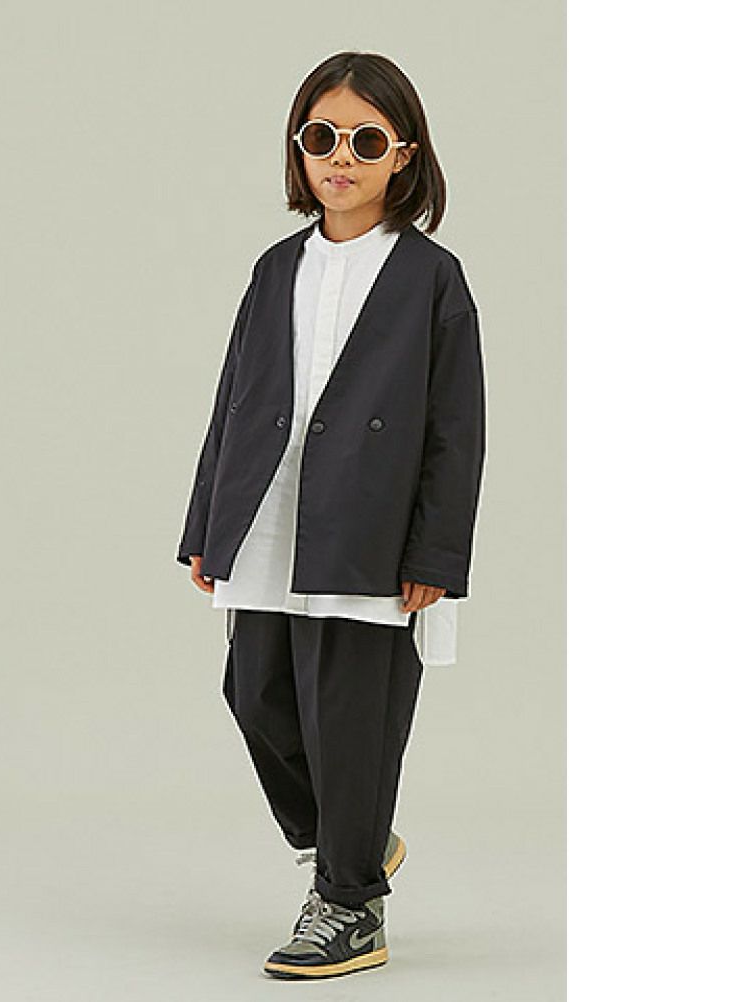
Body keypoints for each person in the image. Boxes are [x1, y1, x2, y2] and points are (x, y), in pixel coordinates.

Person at [176, 51, 486, 981]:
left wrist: (436, 551)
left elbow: (456, 428)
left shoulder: (432, 277)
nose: (341, 157)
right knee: (254, 693)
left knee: (350, 719)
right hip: (268, 518)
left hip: (369, 529)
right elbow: (232, 401)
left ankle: (350, 905)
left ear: (405, 155)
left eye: (366, 141)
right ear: (299, 149)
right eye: (322, 137)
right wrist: (207, 524)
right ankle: (354, 835)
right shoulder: (277, 267)